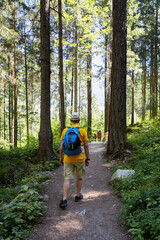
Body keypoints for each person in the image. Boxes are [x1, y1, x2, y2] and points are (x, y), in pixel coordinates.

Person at [59, 112, 90, 209]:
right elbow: (86, 145)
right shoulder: (82, 131)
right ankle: (77, 196)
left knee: (67, 178)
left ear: (71, 120)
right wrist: (87, 158)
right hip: (79, 158)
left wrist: (61, 157)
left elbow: (61, 147)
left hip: (67, 158)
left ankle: (64, 199)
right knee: (79, 178)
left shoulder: (65, 130)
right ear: (79, 120)